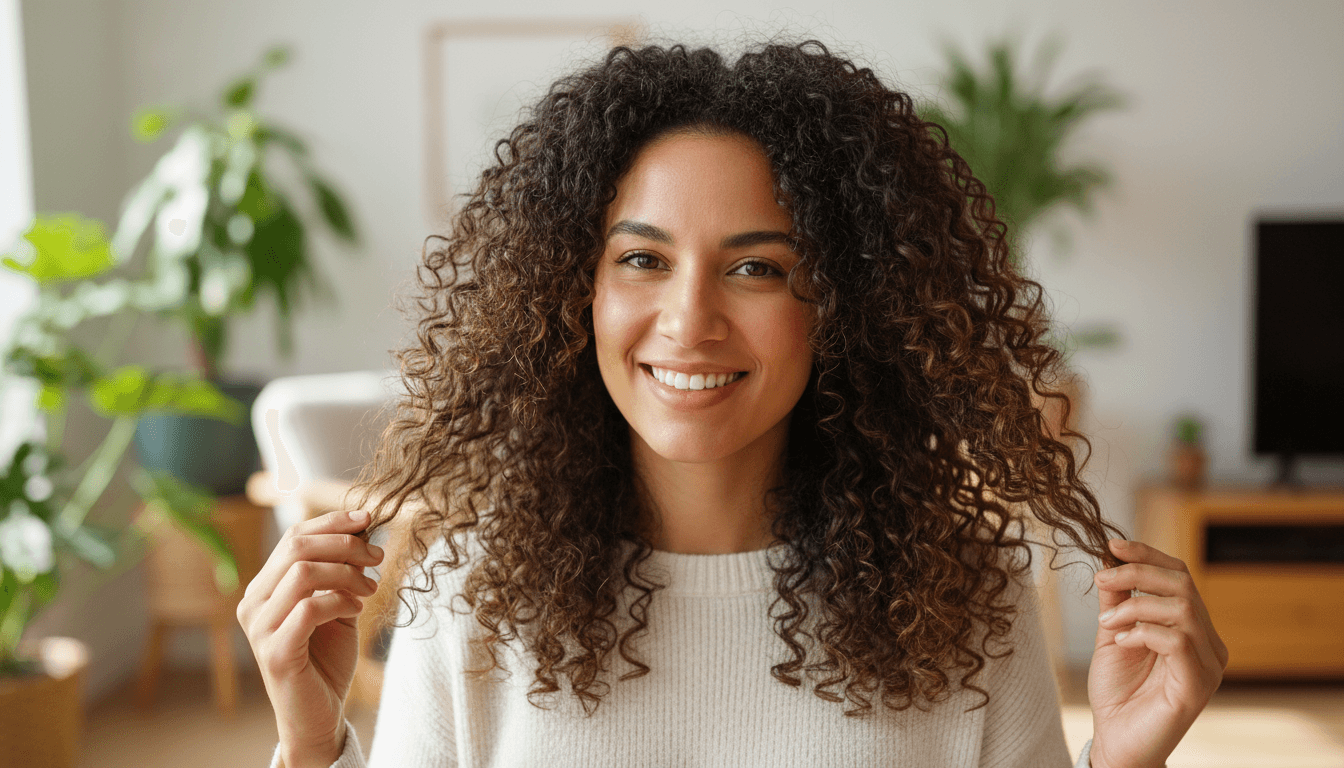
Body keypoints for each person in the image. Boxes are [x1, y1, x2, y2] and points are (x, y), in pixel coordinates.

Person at [237, 40, 1228, 768]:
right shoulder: (471, 595)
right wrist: (309, 741)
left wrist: (1125, 763)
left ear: (839, 305)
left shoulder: (964, 601)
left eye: (757, 266)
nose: (690, 319)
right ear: (572, 293)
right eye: (642, 260)